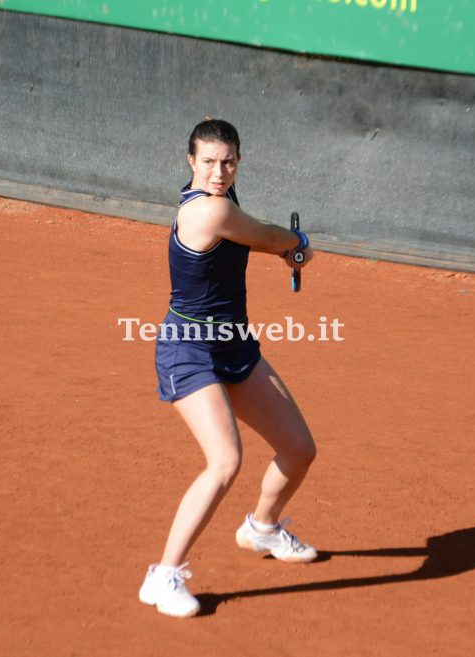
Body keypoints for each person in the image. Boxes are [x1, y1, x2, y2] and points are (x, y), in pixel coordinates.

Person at [138, 119, 318, 618]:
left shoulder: (226, 194)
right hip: (188, 350)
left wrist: (285, 245)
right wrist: (297, 243)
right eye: (210, 161)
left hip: (233, 344)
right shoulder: (209, 209)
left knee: (299, 449)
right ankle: (163, 576)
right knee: (225, 461)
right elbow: (263, 236)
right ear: (191, 162)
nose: (220, 171)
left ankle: (262, 526)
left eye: (229, 161)